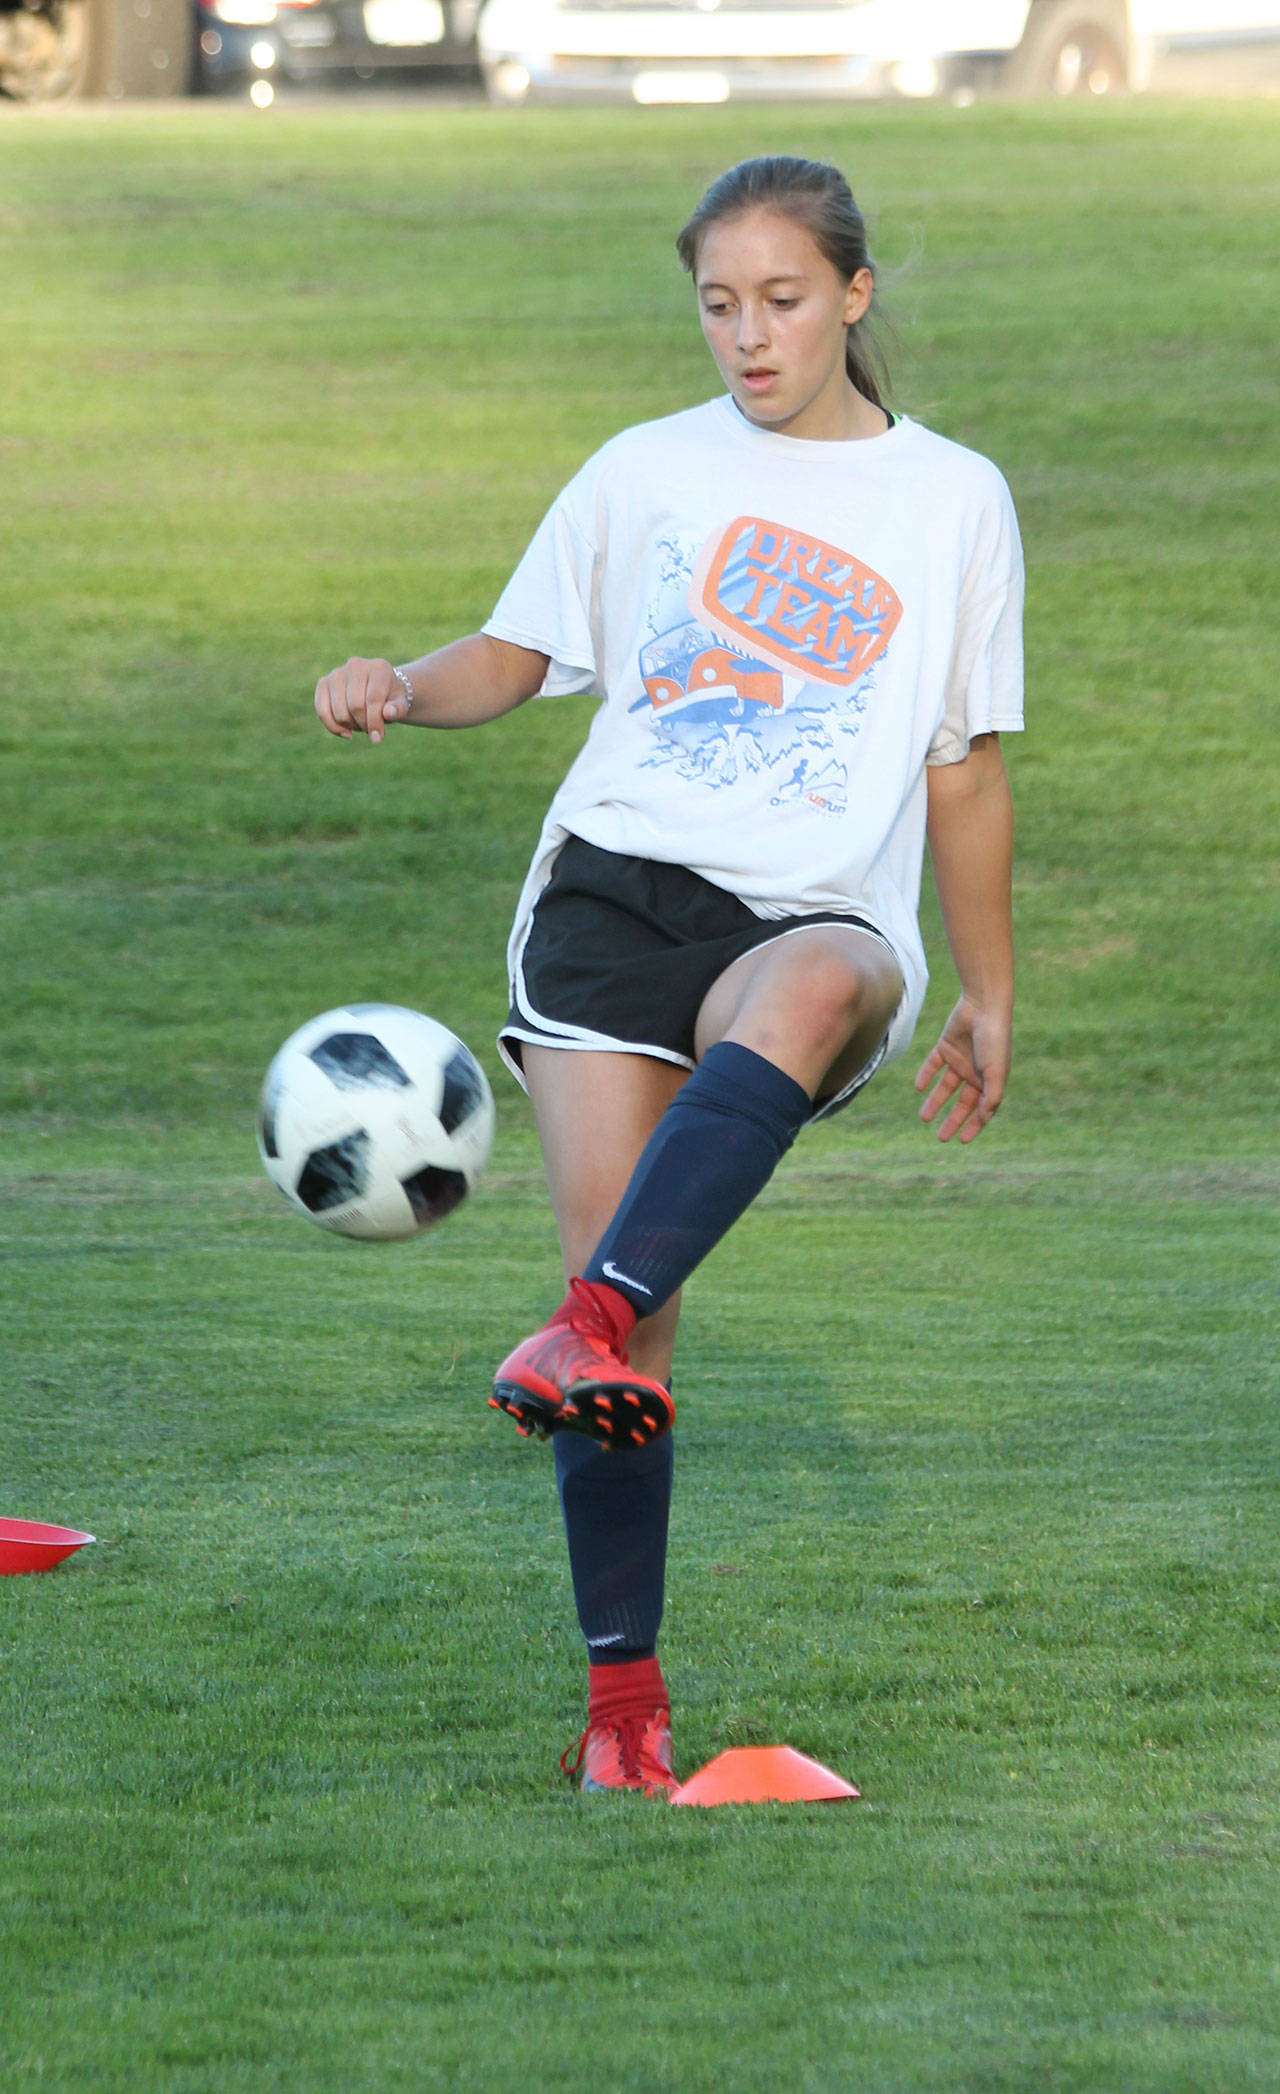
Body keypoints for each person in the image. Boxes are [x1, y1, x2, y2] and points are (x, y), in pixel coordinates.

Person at [314, 155, 1023, 1799]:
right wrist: (399, 682)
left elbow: (967, 764)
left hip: (812, 909)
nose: (748, 336)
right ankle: (622, 1714)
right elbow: (517, 653)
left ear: (853, 294)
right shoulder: (644, 468)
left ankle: (579, 1327)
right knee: (635, 1322)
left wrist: (988, 991)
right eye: (718, 304)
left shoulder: (953, 497)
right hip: (608, 901)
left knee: (816, 987)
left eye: (783, 300)